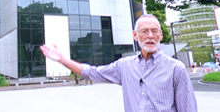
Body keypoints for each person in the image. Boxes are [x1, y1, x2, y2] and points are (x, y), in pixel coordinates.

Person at [40, 14, 197, 112]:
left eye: (154, 31)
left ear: (161, 35)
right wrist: (62, 59)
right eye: (144, 31)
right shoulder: (125, 66)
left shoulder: (176, 68)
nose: (150, 35)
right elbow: (92, 72)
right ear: (135, 35)